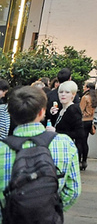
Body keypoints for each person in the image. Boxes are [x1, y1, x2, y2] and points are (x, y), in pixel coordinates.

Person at [0, 85, 81, 218]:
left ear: (11, 113)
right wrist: (49, 211)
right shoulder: (65, 143)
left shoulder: (2, 148)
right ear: (42, 112)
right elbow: (73, 191)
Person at [50, 80, 84, 157]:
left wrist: (56, 131)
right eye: (61, 92)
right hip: (60, 148)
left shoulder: (73, 109)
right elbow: (58, 125)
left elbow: (80, 134)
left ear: (73, 95)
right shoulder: (61, 109)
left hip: (68, 150)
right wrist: (53, 115)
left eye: (67, 92)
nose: (63, 95)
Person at [78, 81, 97, 170]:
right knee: (85, 141)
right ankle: (84, 160)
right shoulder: (94, 98)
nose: (83, 88)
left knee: (79, 141)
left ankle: (78, 161)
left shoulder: (85, 98)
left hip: (83, 120)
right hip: (90, 121)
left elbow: (80, 110)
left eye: (85, 86)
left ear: (88, 88)